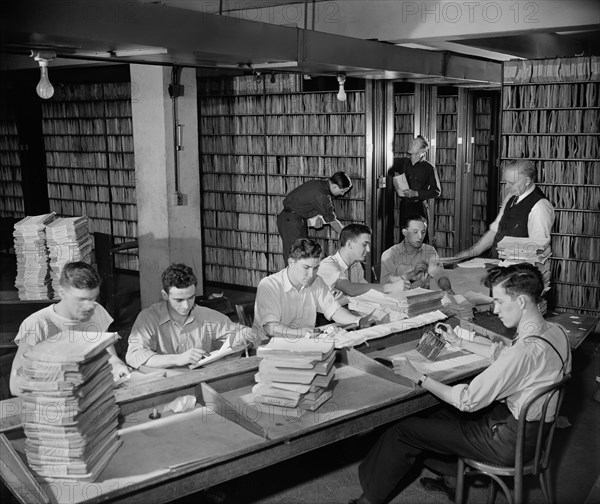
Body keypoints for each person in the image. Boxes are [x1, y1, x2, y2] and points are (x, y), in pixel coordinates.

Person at [348, 263, 571, 504]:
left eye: (498, 301)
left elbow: (467, 400)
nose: (495, 310)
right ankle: (452, 479)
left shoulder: (524, 352)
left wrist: (420, 377)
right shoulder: (555, 332)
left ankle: (367, 501)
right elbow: (504, 353)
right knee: (437, 414)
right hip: (535, 434)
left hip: (507, 442)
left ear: (521, 302)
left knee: (403, 430)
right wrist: (459, 342)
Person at [10, 261, 129, 396]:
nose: (90, 306)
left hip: (93, 393)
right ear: (62, 293)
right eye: (82, 299)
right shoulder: (37, 324)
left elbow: (110, 356)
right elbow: (15, 386)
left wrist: (117, 364)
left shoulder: (97, 311)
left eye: (93, 298)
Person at [126, 263, 261, 369]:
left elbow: (244, 332)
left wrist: (243, 336)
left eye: (191, 298)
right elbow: (134, 355)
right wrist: (177, 359)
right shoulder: (149, 318)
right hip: (163, 383)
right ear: (165, 295)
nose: (186, 306)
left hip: (199, 378)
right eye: (179, 300)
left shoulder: (206, 316)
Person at [254, 238, 376, 340]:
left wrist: (359, 321)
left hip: (305, 343)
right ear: (291, 262)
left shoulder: (316, 281)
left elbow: (334, 310)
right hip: (268, 347)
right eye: (306, 267)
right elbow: (271, 328)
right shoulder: (270, 285)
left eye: (316, 268)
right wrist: (304, 333)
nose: (311, 274)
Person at [447, 159, 554, 261]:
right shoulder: (511, 197)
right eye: (506, 182)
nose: (507, 187)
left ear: (527, 181)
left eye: (511, 183)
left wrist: (508, 253)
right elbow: (496, 229)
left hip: (517, 271)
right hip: (498, 264)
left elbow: (538, 248)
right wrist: (473, 251)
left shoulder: (540, 207)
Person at [317, 223, 407, 305]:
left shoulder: (356, 265)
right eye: (364, 245)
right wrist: (388, 288)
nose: (368, 250)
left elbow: (367, 291)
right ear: (349, 244)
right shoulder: (328, 265)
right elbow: (351, 289)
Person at [277, 171, 352, 263]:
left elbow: (304, 202)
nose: (342, 194)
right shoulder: (323, 196)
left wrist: (317, 217)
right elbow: (333, 222)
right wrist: (349, 236)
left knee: (302, 254)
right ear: (335, 186)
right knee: (295, 257)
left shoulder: (316, 184)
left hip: (291, 218)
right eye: (342, 191)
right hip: (291, 222)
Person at [380, 215, 453, 293]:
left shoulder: (429, 251)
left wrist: (448, 289)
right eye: (415, 232)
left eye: (423, 232)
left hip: (423, 299)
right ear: (405, 232)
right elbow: (384, 285)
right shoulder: (390, 254)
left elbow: (440, 274)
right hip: (397, 300)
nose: (420, 236)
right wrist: (411, 274)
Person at [390, 135, 441, 241]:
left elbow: (436, 191)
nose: (411, 144)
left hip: (419, 208)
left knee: (419, 239)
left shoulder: (429, 168)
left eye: (415, 143)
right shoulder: (402, 162)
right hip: (405, 207)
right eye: (412, 142)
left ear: (422, 150)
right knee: (404, 239)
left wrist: (416, 193)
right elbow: (386, 162)